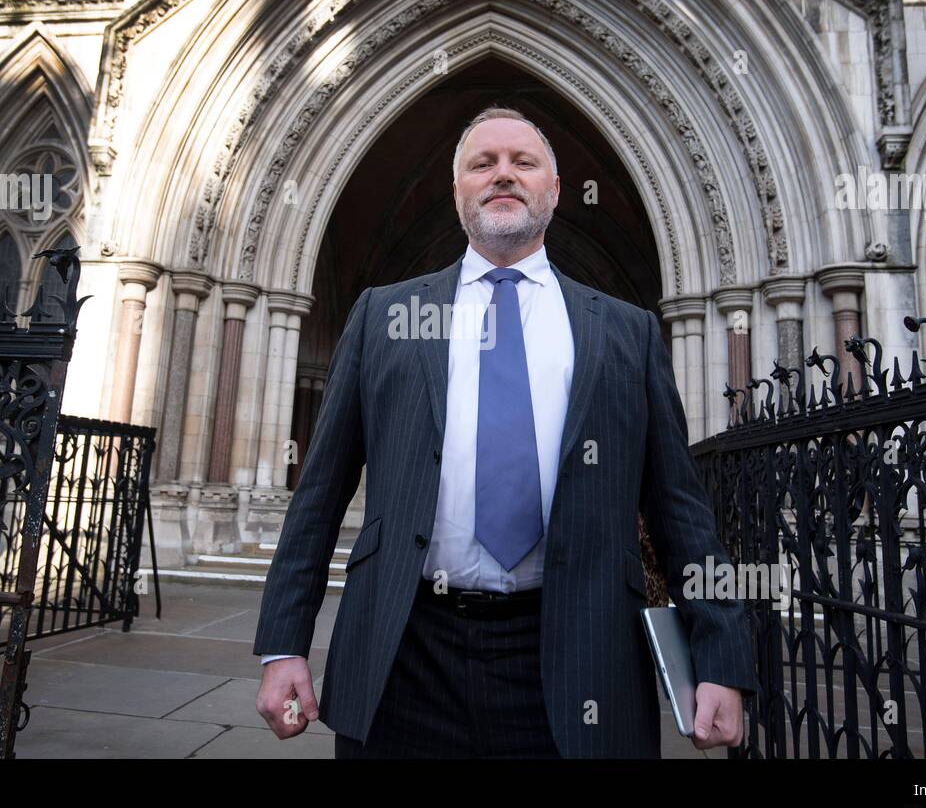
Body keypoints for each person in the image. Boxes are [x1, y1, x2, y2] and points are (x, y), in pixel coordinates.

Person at [253, 106, 755, 758]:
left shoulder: (626, 332)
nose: (503, 175)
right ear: (458, 190)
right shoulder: (384, 316)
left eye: (524, 162)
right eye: (482, 163)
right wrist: (283, 643)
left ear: (553, 188)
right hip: (404, 656)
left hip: (577, 654)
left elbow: (679, 508)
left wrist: (721, 653)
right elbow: (317, 496)